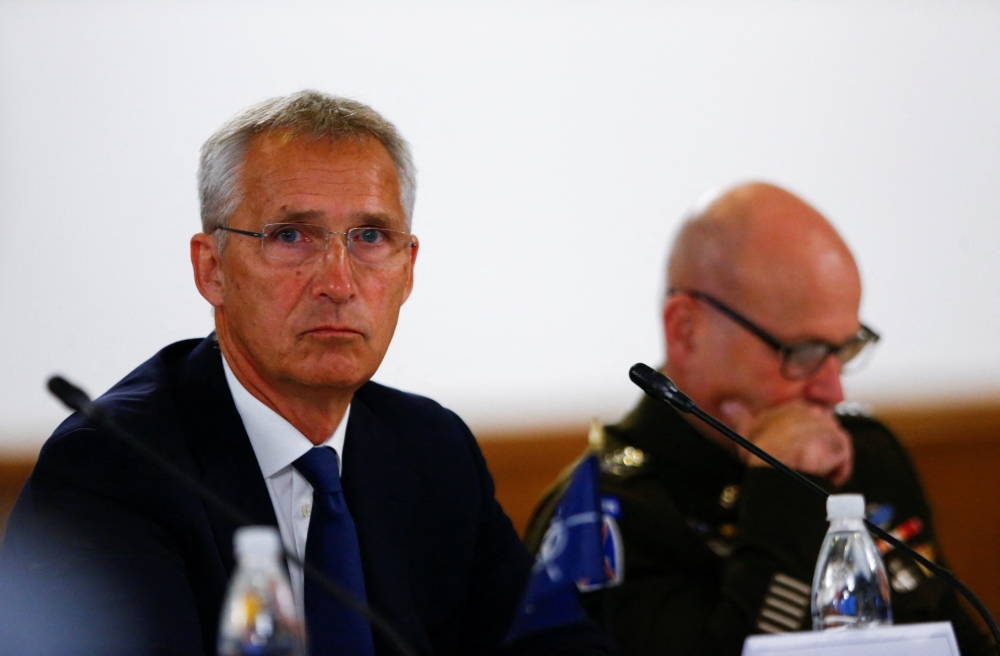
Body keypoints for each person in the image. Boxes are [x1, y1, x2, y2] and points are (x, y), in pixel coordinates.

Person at [0, 91, 614, 656]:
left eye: (370, 236)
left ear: (408, 269)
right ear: (211, 268)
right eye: (291, 235)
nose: (338, 284)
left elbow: (548, 643)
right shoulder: (113, 469)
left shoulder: (431, 448)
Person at [524, 182, 992, 655]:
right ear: (687, 331)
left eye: (846, 348)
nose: (833, 390)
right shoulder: (608, 511)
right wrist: (782, 491)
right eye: (803, 352)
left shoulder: (864, 453)